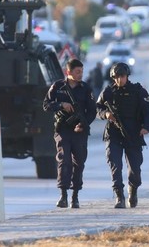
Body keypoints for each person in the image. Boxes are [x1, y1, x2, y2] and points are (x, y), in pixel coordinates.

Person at [96, 62, 149, 208]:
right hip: (114, 133)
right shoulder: (108, 91)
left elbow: (148, 111)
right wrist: (106, 114)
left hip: (133, 133)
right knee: (115, 164)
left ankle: (132, 191)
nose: (119, 80)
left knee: (135, 168)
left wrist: (146, 127)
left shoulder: (138, 91)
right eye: (116, 77)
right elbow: (97, 108)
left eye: (122, 76)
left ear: (127, 76)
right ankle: (119, 196)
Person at [43, 59, 97, 209]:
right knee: (64, 160)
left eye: (81, 71)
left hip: (79, 131)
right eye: (77, 72)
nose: (80, 74)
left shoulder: (86, 89)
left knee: (79, 162)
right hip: (63, 130)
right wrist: (61, 105)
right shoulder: (58, 87)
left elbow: (92, 111)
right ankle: (63, 195)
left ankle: (75, 196)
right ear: (69, 72)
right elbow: (46, 105)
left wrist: (84, 124)